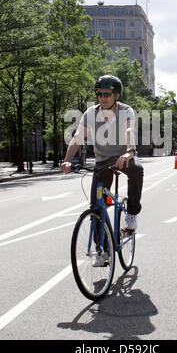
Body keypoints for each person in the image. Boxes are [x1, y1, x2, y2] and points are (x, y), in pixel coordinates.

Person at [61, 75, 144, 234]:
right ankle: (103, 251)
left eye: (107, 94)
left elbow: (129, 131)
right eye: (99, 94)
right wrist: (67, 161)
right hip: (103, 162)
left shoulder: (126, 111)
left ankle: (132, 214)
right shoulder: (91, 113)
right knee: (96, 207)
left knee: (137, 169)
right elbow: (78, 136)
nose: (103, 98)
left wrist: (129, 153)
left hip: (123, 157)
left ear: (117, 95)